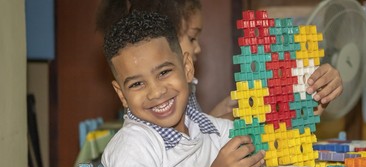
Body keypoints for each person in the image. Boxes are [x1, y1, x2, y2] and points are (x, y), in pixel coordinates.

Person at [101, 10, 265, 167]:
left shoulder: (208, 128)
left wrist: (306, 102)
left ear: (187, 68)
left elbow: (265, 143)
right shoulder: (132, 145)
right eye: (136, 84)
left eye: (164, 72)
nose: (156, 92)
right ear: (122, 94)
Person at [96, 0, 343, 118]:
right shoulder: (160, 107)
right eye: (192, 38)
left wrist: (306, 103)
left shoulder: (183, 92)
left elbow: (199, 136)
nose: (198, 48)